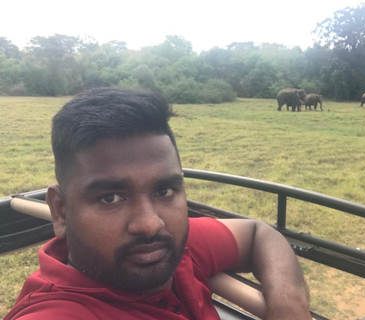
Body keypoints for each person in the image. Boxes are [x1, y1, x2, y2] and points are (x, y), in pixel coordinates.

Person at [5, 88, 310, 320]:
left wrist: (288, 306)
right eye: (110, 198)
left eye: (164, 191)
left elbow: (258, 234)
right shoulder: (56, 312)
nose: (150, 224)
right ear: (60, 211)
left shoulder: (174, 251)